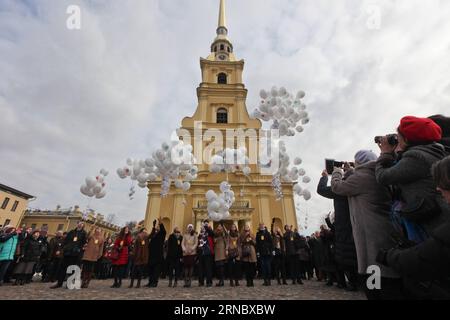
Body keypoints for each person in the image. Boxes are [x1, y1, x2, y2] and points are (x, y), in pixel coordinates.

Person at [331, 149, 404, 300]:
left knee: (375, 286)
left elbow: (337, 188)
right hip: (385, 234)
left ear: (358, 162)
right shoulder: (377, 174)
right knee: (388, 278)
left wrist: (337, 172)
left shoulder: (362, 178)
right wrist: (351, 171)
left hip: (372, 242)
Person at [377, 156, 450, 299]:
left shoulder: (414, 158)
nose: (437, 188)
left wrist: (387, 256)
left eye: (442, 183)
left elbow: (420, 258)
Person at [376, 116, 449, 243]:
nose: (397, 138)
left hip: (429, 219)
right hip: (435, 214)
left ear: (408, 139)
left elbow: (383, 177)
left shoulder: (416, 157)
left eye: (399, 135)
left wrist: (385, 154)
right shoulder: (433, 149)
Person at [317, 168, 359, 290]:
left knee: (347, 257)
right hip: (359, 225)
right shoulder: (360, 183)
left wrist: (325, 176)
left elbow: (321, 189)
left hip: (344, 229)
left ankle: (353, 282)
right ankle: (367, 283)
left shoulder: (341, 189)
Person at [51, 222, 87, 289]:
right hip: (67, 253)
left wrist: (81, 249)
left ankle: (69, 283)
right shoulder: (72, 232)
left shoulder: (84, 233)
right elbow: (65, 241)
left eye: (82, 223)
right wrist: (61, 249)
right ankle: (59, 283)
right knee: (62, 268)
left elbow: (84, 243)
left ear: (83, 226)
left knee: (72, 269)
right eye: (79, 223)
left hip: (76, 254)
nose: (80, 224)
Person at [147, 218, 166, 287]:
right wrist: (153, 226)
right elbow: (150, 236)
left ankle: (155, 282)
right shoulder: (154, 234)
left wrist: (161, 223)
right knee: (151, 269)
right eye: (157, 227)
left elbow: (164, 231)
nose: (158, 227)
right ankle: (150, 281)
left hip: (158, 255)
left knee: (156, 270)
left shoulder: (162, 234)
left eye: (159, 227)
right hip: (151, 254)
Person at [198, 220, 214, 287]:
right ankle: (201, 282)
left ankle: (209, 281)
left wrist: (207, 227)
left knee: (208, 268)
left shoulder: (209, 232)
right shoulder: (200, 234)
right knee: (201, 268)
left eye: (206, 224)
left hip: (208, 252)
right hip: (201, 252)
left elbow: (212, 234)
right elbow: (198, 242)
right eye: (204, 225)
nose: (204, 226)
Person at [270, 220, 287, 285]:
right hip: (276, 252)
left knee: (283, 267)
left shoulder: (282, 237)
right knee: (277, 267)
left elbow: (284, 244)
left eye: (278, 229)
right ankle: (278, 281)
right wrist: (272, 224)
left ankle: (284, 280)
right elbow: (271, 231)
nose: (277, 230)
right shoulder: (274, 236)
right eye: (276, 229)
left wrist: (284, 251)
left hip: (281, 252)